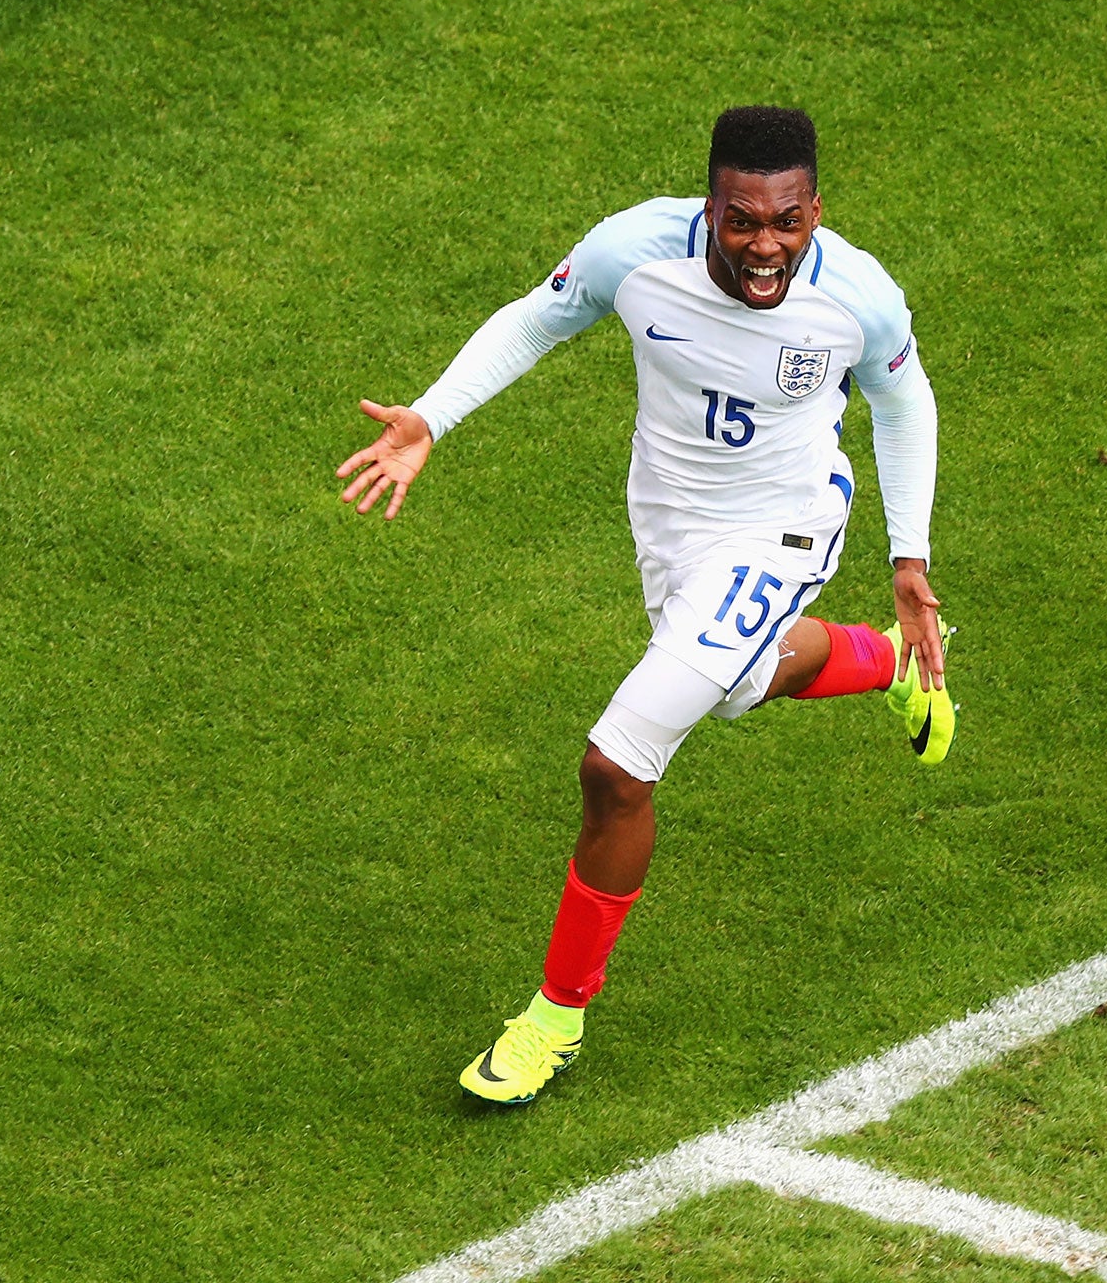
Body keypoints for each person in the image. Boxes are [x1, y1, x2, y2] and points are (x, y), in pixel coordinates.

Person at [336, 106, 952, 1103]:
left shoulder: (858, 300)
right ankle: (886, 664)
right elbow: (537, 317)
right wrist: (429, 420)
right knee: (735, 685)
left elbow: (901, 401)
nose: (766, 249)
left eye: (787, 222)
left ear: (814, 213)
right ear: (708, 208)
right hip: (670, 525)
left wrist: (907, 554)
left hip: (785, 527)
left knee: (616, 765)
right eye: (743, 221)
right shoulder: (633, 252)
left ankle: (554, 1019)